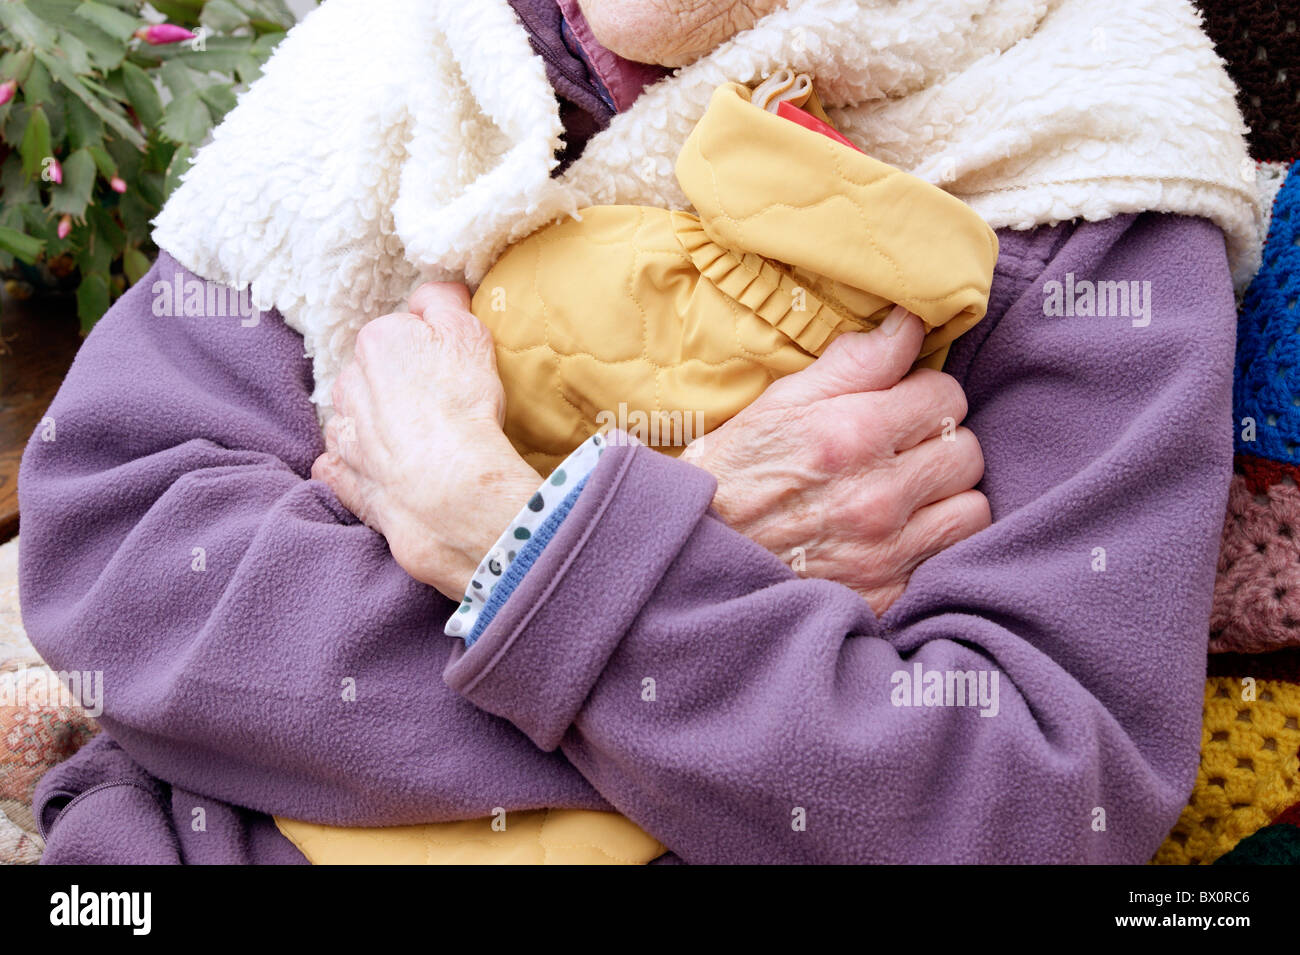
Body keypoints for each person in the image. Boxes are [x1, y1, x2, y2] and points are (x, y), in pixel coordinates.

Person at [19, 0, 1254, 863]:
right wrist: (647, 552)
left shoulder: (1083, 151)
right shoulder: (386, 66)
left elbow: (1026, 807)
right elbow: (118, 568)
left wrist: (501, 535)